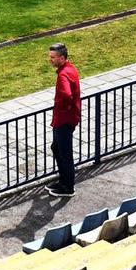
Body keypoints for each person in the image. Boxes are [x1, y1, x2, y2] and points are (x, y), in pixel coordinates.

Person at [46, 43, 81, 197]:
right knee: (57, 148)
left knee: (64, 153)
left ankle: (68, 186)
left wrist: (62, 107)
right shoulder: (70, 69)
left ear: (62, 57)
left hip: (63, 120)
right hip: (67, 118)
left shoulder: (63, 75)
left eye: (53, 57)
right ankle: (64, 181)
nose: (50, 60)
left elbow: (66, 95)